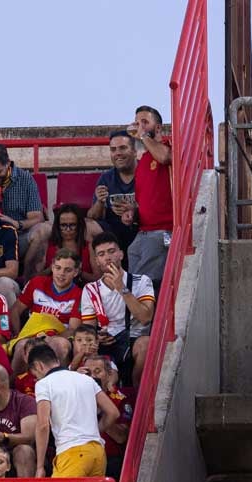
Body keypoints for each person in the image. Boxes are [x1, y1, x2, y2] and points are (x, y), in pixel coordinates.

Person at [29, 343, 121, 482]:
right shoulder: (86, 380)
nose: (34, 378)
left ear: (39, 366)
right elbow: (113, 413)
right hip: (97, 452)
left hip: (71, 454)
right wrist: (95, 430)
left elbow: (43, 425)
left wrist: (40, 466)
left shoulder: (44, 384)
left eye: (33, 373)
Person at [82, 233, 155, 385]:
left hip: (134, 338)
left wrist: (122, 288)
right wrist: (96, 336)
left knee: (146, 344)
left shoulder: (141, 281)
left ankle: (137, 396)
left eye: (111, 251)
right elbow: (88, 328)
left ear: (121, 254)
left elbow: (146, 317)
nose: (107, 257)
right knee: (82, 344)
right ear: (96, 261)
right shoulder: (90, 289)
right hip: (105, 341)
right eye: (101, 254)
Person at [126, 105, 173, 289]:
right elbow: (143, 201)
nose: (140, 127)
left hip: (162, 232)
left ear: (159, 128)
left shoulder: (168, 147)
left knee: (145, 286)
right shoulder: (143, 161)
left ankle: (143, 318)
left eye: (145, 122)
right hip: (142, 233)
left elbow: (165, 157)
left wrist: (143, 135)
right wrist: (132, 213)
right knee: (136, 286)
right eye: (137, 123)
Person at [88, 130, 139, 252]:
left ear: (135, 152)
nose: (118, 153)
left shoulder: (147, 173)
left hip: (142, 228)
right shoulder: (106, 178)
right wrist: (100, 202)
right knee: (86, 226)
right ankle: (98, 270)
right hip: (113, 232)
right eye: (113, 149)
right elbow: (92, 217)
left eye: (122, 148)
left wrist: (134, 210)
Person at [81, 354, 131, 479]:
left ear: (109, 374)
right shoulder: (75, 398)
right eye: (88, 373)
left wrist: (101, 408)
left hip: (109, 460)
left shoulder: (119, 399)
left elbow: (121, 437)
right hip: (80, 457)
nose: (92, 376)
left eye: (97, 371)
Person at [28, 204, 96, 279]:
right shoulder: (46, 245)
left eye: (72, 225)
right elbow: (34, 278)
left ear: (79, 225)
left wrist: (78, 272)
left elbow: (98, 279)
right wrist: (52, 269)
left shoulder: (89, 246)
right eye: (63, 225)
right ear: (57, 226)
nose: (68, 229)